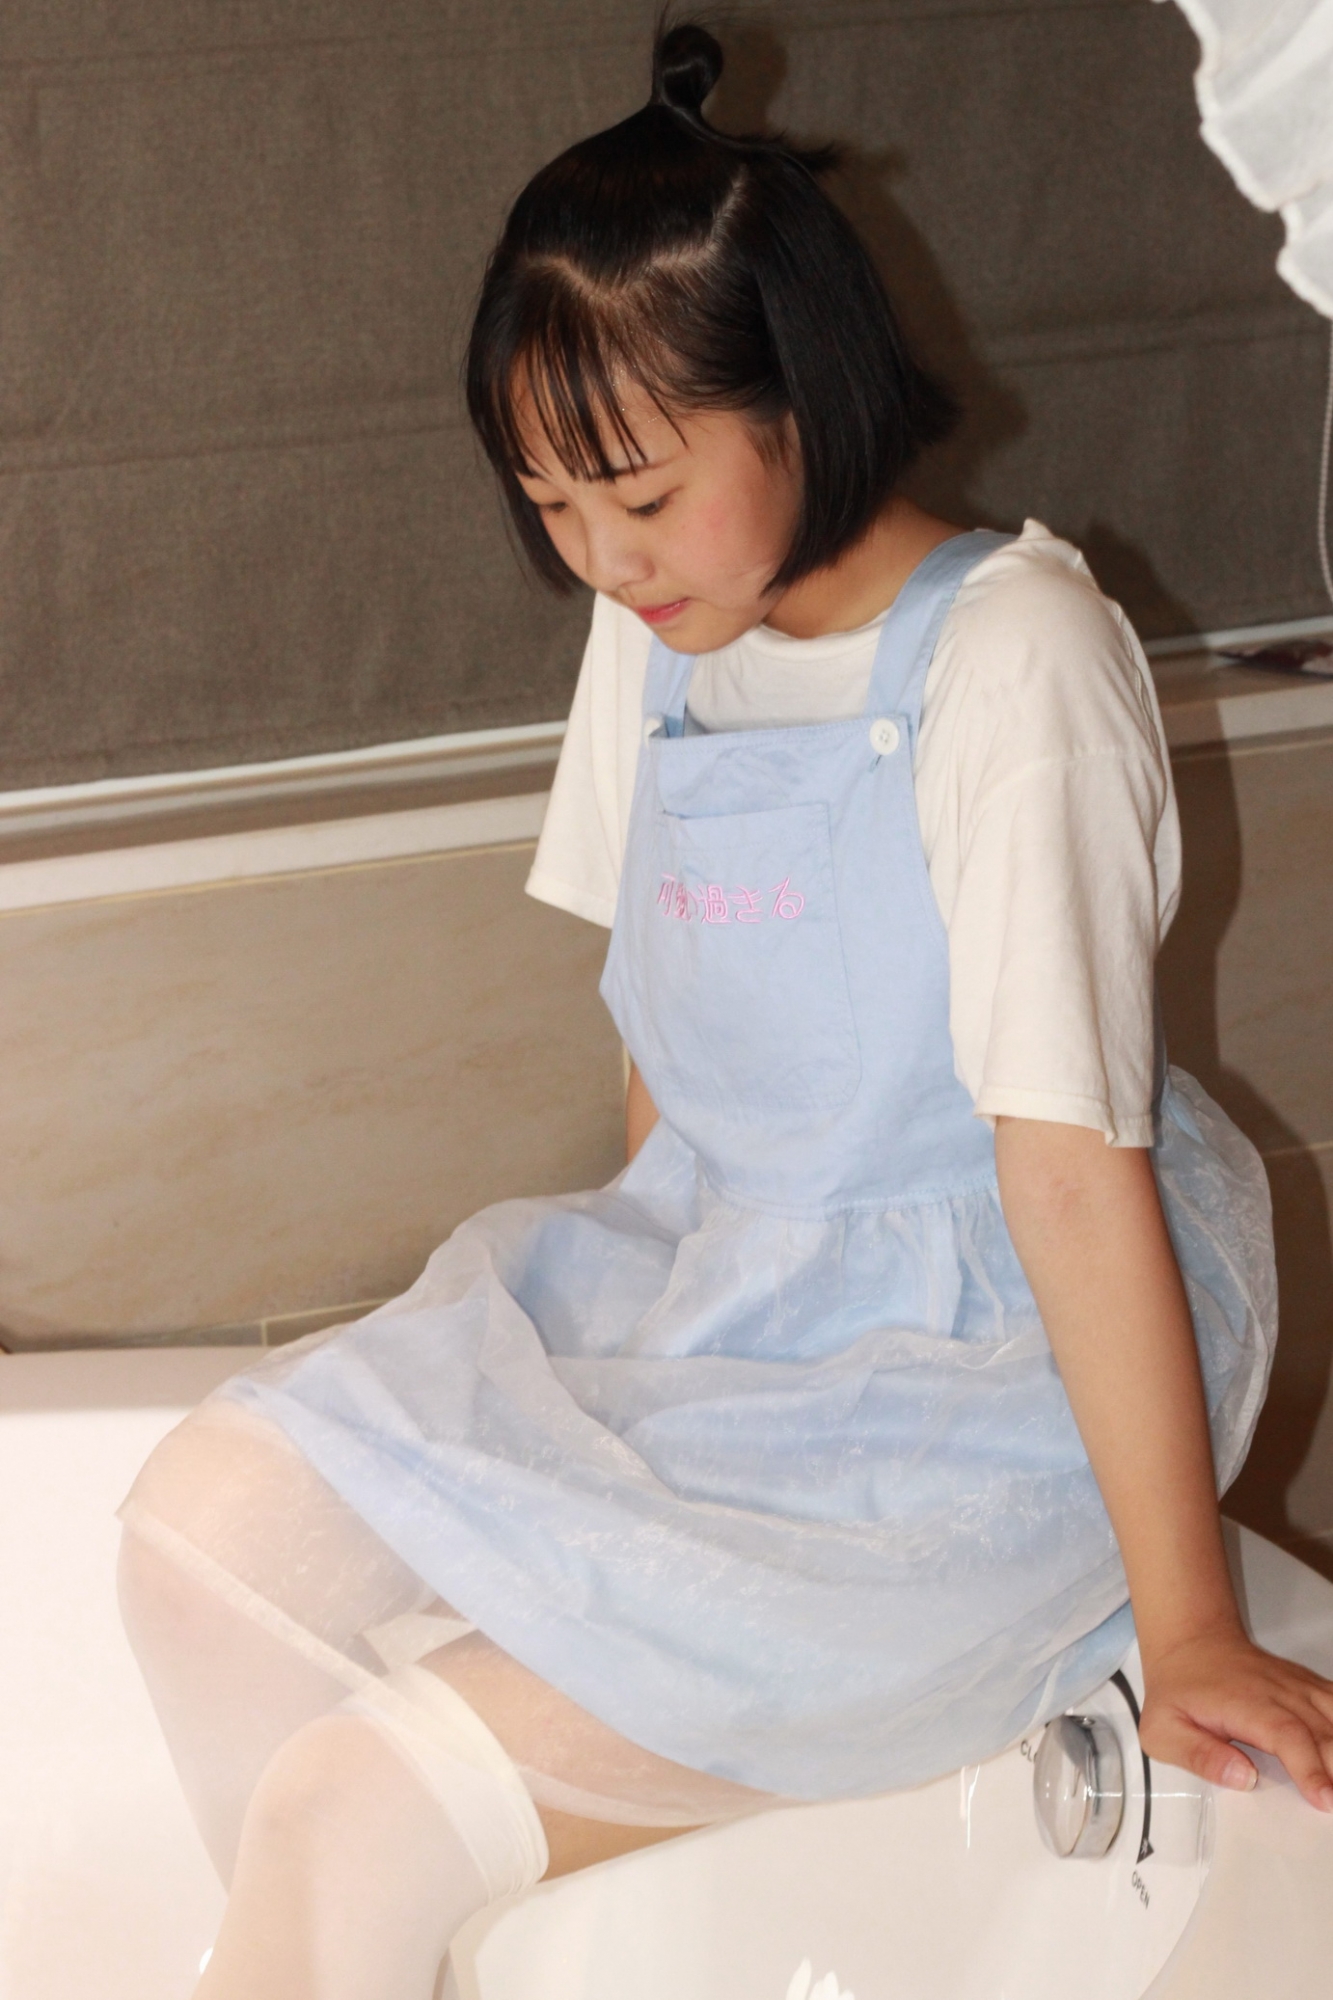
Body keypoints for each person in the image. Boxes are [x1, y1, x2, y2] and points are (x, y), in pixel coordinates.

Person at [117, 23, 1332, 2000]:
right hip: (722, 1294)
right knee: (197, 1540)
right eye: (550, 505)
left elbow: (1065, 1169)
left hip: (980, 1393)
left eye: (638, 494)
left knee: (356, 1804)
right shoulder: (667, 627)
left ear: (806, 395)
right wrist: (638, 1443)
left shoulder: (1012, 661)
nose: (597, 561)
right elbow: (664, 1054)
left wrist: (1185, 1621)